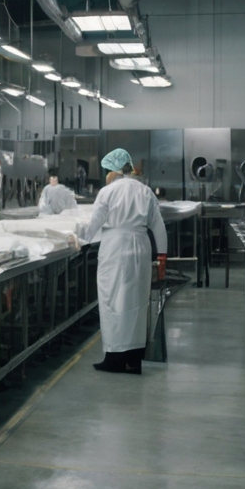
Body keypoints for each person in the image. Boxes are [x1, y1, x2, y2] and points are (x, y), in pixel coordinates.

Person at [84, 148, 167, 374]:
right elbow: (158, 226)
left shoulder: (107, 192)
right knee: (137, 301)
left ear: (115, 171)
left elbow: (94, 223)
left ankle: (115, 358)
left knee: (113, 300)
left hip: (115, 248)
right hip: (141, 245)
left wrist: (80, 241)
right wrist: (162, 256)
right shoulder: (145, 191)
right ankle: (134, 359)